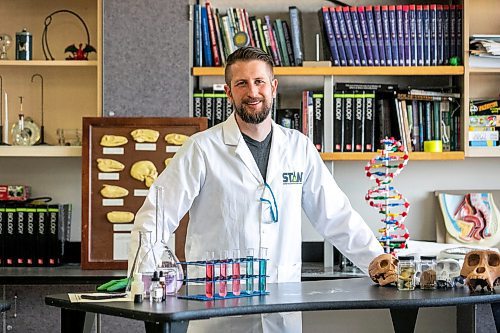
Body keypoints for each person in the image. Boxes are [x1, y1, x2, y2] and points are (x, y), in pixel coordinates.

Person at [129, 46, 384, 332]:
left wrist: (375, 259)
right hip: (218, 314)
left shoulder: (298, 147)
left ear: (273, 87)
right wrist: (145, 284)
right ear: (228, 92)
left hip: (282, 310)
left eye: (259, 81)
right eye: (242, 83)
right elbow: (155, 216)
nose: (252, 92)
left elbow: (335, 214)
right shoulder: (202, 148)